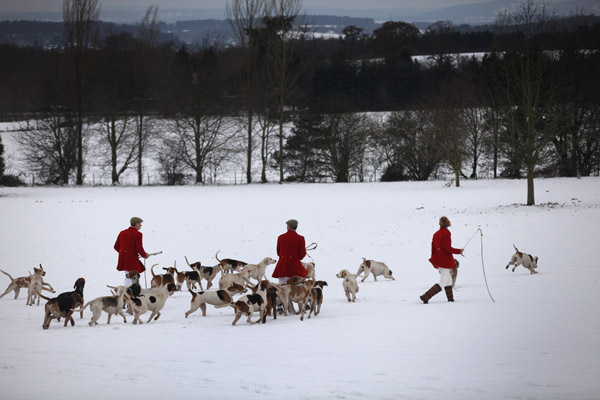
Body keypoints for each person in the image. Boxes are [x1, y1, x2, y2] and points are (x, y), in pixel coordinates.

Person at [419, 216, 463, 304]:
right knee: (443, 282)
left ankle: (450, 300)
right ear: (448, 223)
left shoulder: (436, 234)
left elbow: (433, 249)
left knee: (448, 280)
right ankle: (426, 296)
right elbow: (447, 248)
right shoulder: (446, 233)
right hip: (445, 261)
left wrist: (434, 260)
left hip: (439, 260)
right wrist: (459, 251)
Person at [114, 217, 148, 286]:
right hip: (131, 260)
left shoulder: (122, 232)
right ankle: (132, 291)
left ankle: (127, 290)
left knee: (128, 275)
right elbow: (139, 248)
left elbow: (116, 247)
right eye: (140, 223)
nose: (141, 225)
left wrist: (124, 253)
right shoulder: (138, 234)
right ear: (136, 223)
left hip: (123, 259)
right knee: (133, 276)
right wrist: (145, 255)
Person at [272, 219, 307, 284]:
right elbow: (302, 255)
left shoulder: (281, 237)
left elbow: (278, 253)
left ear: (288, 227)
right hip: (295, 267)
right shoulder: (301, 238)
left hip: (282, 267)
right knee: (296, 288)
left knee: (282, 288)